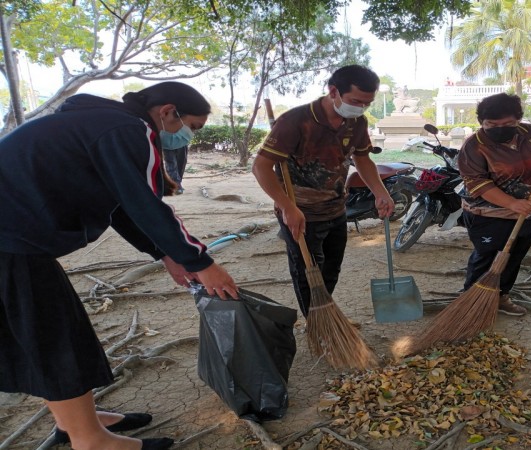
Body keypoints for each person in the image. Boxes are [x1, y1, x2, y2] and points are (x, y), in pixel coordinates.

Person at [0, 82, 239, 450]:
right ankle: (91, 441)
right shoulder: (127, 129)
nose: (188, 136)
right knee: (55, 339)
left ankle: (77, 422)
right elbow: (145, 204)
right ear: (167, 111)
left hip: (17, 240)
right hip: (10, 242)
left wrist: (164, 254)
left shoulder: (102, 122)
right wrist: (201, 262)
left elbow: (120, 207)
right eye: (192, 126)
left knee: (58, 332)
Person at [252, 65, 394, 317]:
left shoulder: (357, 122)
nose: (360, 108)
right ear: (333, 91)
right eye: (355, 101)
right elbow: (261, 167)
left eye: (367, 104)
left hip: (337, 208)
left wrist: (380, 192)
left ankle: (325, 316)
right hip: (300, 213)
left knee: (330, 270)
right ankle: (316, 322)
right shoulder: (295, 121)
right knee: (308, 272)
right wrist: (287, 206)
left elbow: (362, 160)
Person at [457, 93, 531, 316]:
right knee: (487, 258)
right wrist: (512, 203)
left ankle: (501, 296)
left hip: (528, 212)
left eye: (508, 123)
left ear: (518, 120)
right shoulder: (474, 146)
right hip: (489, 214)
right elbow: (478, 183)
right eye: (492, 124)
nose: (500, 128)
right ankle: (471, 301)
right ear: (481, 122)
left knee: (513, 257)